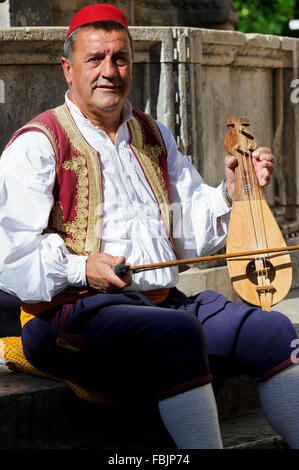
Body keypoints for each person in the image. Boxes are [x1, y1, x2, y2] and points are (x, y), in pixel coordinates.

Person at [0, 4, 298, 449]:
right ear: (67, 68)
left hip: (162, 305)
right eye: (94, 59)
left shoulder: (153, 134)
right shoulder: (38, 144)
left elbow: (189, 228)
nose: (109, 71)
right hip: (67, 315)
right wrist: (82, 269)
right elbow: (9, 257)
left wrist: (230, 193)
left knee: (272, 331)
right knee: (176, 334)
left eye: (120, 58)